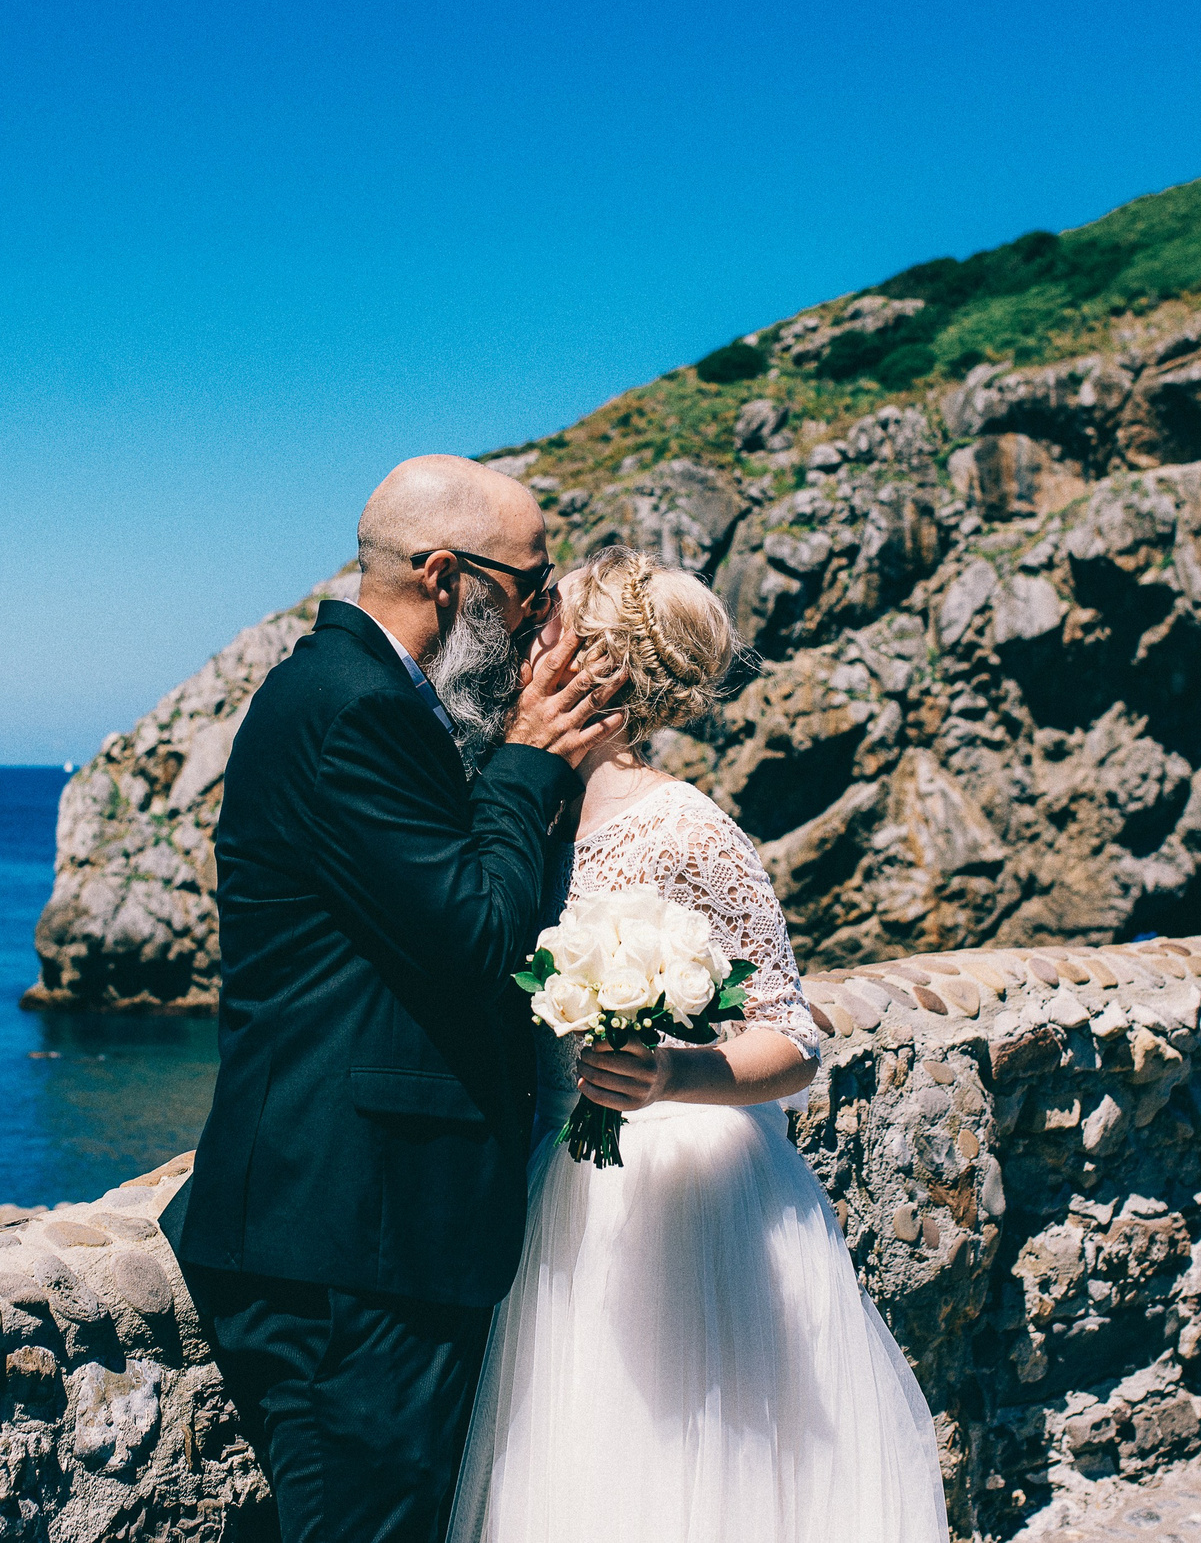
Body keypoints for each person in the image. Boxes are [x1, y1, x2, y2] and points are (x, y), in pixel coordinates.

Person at [163, 453, 630, 1543]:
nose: (537, 615)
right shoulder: (355, 707)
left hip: (367, 1234)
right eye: (528, 584)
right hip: (344, 1245)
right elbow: (478, 936)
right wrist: (528, 763)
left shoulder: (384, 702)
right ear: (442, 577)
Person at [446, 545, 951, 1543]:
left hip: (678, 1196)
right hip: (560, 1183)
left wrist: (670, 1072)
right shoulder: (525, 809)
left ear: (600, 664)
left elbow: (794, 1039)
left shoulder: (687, 829)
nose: (523, 629)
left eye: (548, 619)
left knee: (685, 1472)